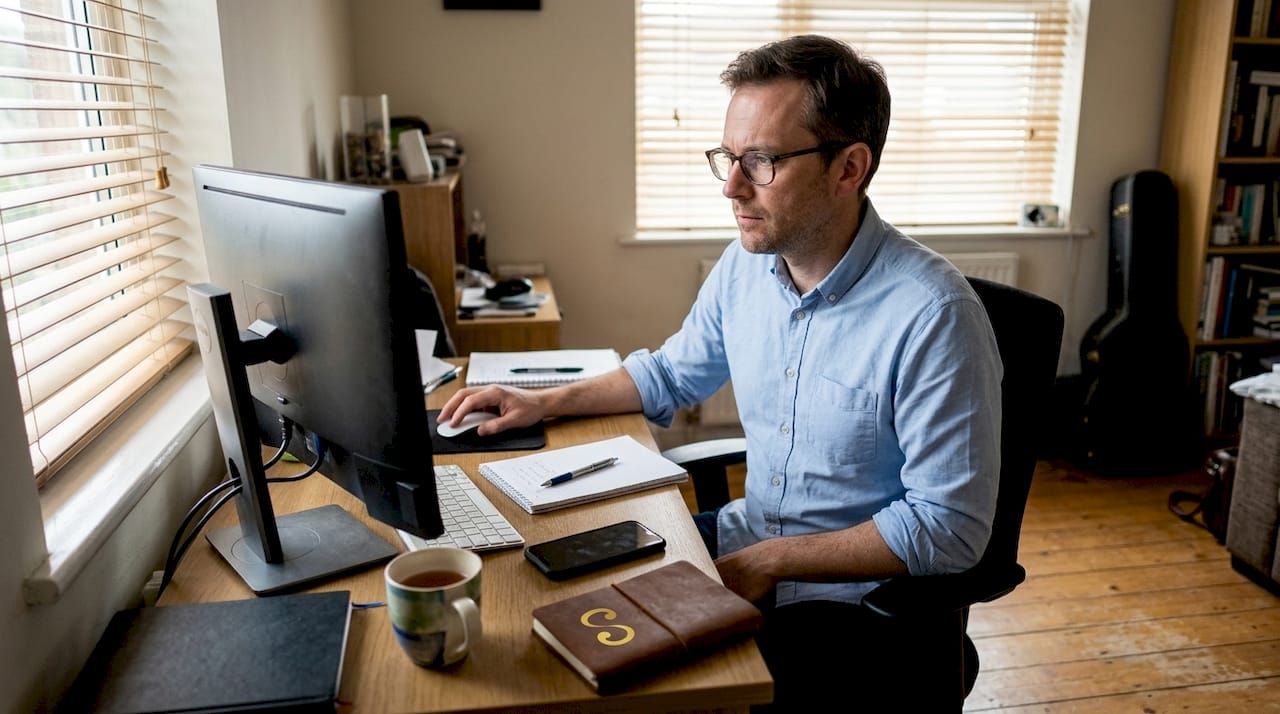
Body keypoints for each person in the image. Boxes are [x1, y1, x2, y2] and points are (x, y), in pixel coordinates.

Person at [438, 34, 1002, 710]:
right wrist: (542, 401)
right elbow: (672, 375)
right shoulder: (748, 265)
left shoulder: (933, 314)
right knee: (537, 585)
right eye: (729, 158)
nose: (732, 187)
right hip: (745, 543)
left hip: (853, 609)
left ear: (849, 167)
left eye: (761, 161)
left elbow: (949, 528)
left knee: (606, 686)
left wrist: (770, 561)